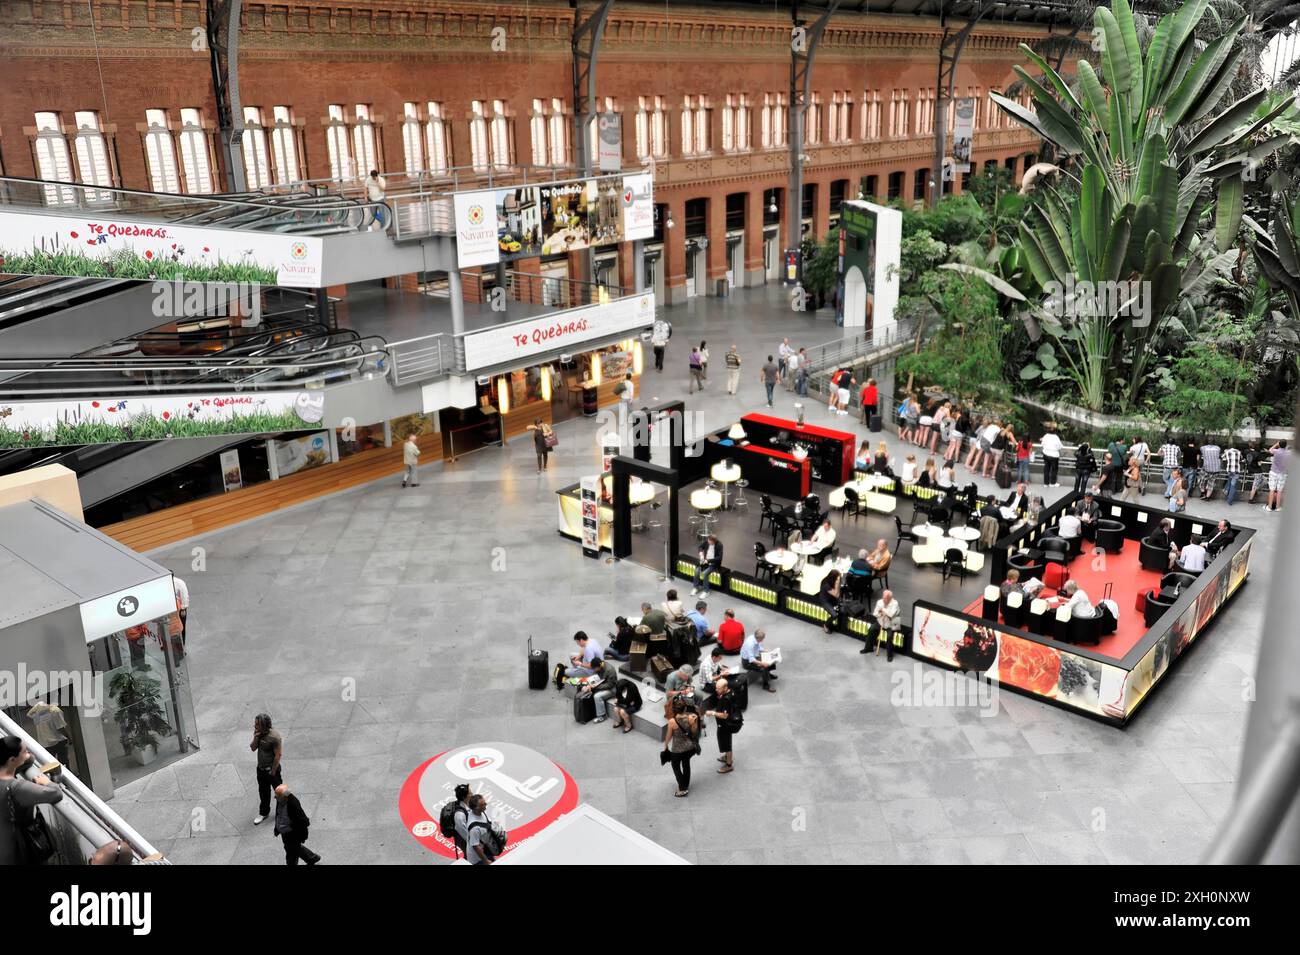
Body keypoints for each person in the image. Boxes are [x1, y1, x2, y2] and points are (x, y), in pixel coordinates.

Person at [0, 735, 63, 866]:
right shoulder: (15, 788)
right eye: (25, 751)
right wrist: (47, 782)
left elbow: (28, 759)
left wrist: (24, 756)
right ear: (12, 760)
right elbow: (55, 794)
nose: (28, 753)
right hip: (20, 850)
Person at [272, 783, 320, 865]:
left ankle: (311, 858)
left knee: (291, 854)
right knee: (294, 848)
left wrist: (301, 835)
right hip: (285, 832)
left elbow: (304, 822)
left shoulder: (293, 805)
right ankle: (312, 858)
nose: (275, 798)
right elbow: (278, 815)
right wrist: (277, 828)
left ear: (285, 797)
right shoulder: (280, 800)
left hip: (292, 834)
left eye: (277, 796)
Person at [663, 697, 700, 797]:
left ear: (674, 709)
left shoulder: (672, 721)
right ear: (685, 709)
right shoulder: (691, 718)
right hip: (689, 748)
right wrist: (694, 722)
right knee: (686, 764)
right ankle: (686, 785)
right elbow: (694, 732)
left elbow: (668, 736)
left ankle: (682, 788)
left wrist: (666, 745)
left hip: (677, 750)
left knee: (676, 767)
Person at [250, 713, 282, 826]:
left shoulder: (274, 737)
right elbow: (253, 748)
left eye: (257, 724)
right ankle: (264, 813)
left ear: (264, 725)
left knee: (279, 793)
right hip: (261, 769)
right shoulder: (258, 734)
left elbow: (278, 755)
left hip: (272, 770)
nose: (255, 726)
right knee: (263, 792)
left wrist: (273, 771)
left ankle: (281, 814)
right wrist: (255, 737)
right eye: (255, 723)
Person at [707, 677, 742, 774]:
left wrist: (712, 713)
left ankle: (729, 764)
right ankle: (727, 756)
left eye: (718, 688)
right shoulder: (731, 692)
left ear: (725, 688)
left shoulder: (726, 699)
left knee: (726, 744)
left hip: (725, 725)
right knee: (726, 742)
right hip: (729, 723)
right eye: (716, 688)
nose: (716, 690)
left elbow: (724, 715)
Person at [862, 590, 902, 659]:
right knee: (871, 629)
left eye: (886, 598)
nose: (884, 600)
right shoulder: (879, 602)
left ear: (890, 598)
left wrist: (883, 610)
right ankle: (868, 648)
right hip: (881, 621)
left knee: (889, 637)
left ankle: (890, 655)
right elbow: (875, 613)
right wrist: (880, 614)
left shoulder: (895, 603)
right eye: (883, 597)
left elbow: (891, 615)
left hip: (892, 623)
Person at [584, 656, 619, 723]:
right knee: (588, 689)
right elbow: (594, 677)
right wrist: (589, 684)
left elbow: (610, 685)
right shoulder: (597, 667)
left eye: (595, 669)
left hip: (612, 689)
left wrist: (595, 687)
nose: (594, 670)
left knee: (597, 696)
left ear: (599, 665)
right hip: (601, 684)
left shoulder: (610, 670)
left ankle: (602, 715)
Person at [464, 794, 495, 864]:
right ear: (476, 808)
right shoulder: (474, 828)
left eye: (485, 802)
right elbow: (476, 847)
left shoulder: (480, 812)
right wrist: (486, 861)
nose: (486, 804)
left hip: (486, 850)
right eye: (483, 804)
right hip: (479, 859)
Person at [450, 783, 473, 857]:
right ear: (464, 797)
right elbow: (464, 833)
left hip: (470, 836)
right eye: (470, 793)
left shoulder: (468, 804)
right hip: (464, 839)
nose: (472, 793)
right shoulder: (459, 816)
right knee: (471, 857)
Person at [817, 570, 843, 635]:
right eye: (837, 578)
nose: (838, 580)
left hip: (831, 598)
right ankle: (825, 625)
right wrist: (837, 584)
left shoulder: (832, 582)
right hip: (825, 601)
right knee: (834, 615)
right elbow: (836, 595)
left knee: (843, 606)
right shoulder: (826, 584)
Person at [1267, 440, 1289, 511]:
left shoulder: (1276, 451)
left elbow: (1269, 450)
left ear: (1279, 444)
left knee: (1272, 489)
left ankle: (1269, 507)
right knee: (1280, 490)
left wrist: (1276, 444)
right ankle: (1278, 507)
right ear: (1285, 445)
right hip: (1283, 473)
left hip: (1273, 472)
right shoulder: (1288, 453)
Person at [1040, 423, 1062, 487]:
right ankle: (1052, 483)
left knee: (1046, 469)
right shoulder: (1056, 437)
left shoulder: (1045, 436)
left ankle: (1046, 483)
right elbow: (1059, 447)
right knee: (1054, 470)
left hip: (1046, 454)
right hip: (1054, 455)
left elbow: (1042, 444)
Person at [172, 573, 190, 647]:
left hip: (179, 608)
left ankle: (182, 643)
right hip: (171, 609)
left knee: (181, 626)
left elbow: (184, 595)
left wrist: (183, 609)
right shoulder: (165, 582)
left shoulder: (179, 583)